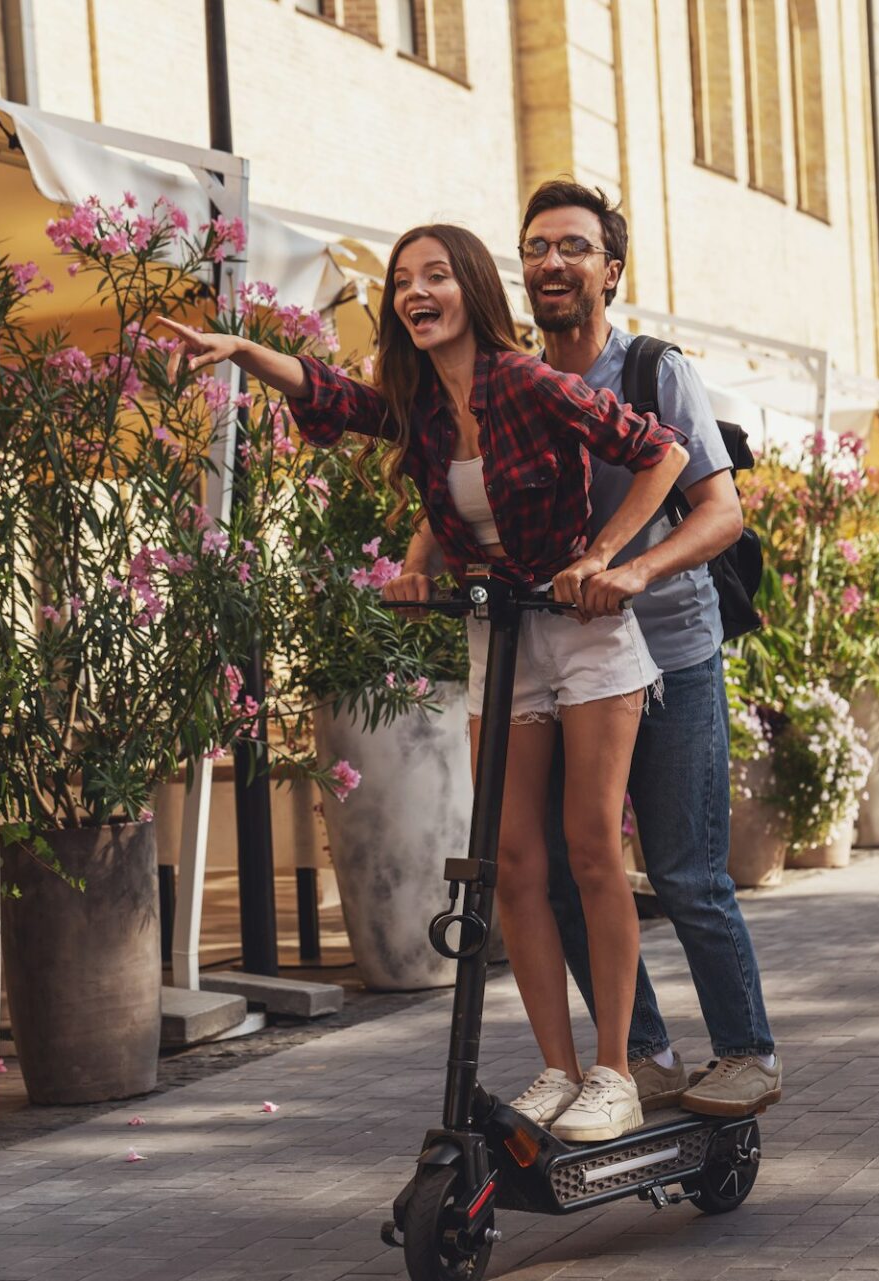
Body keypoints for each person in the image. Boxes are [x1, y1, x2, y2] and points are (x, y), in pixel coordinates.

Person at [162, 222, 689, 1143]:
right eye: (404, 281)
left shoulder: (524, 379)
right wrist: (245, 350)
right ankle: (557, 1072)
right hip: (502, 633)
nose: (417, 292)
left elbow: (663, 453)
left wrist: (608, 557)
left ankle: (617, 1070)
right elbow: (334, 395)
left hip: (586, 635)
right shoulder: (423, 407)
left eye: (436, 276)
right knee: (514, 862)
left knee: (592, 848)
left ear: (471, 288)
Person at [391, 181, 780, 1117]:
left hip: (670, 648)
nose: (551, 263)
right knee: (564, 866)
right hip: (555, 650)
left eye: (573, 247)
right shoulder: (508, 375)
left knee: (685, 871)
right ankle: (636, 1055)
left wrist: (633, 568)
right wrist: (418, 560)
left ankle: (746, 1050)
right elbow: (467, 491)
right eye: (535, 249)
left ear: (611, 270)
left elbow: (720, 511)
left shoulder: (652, 371)